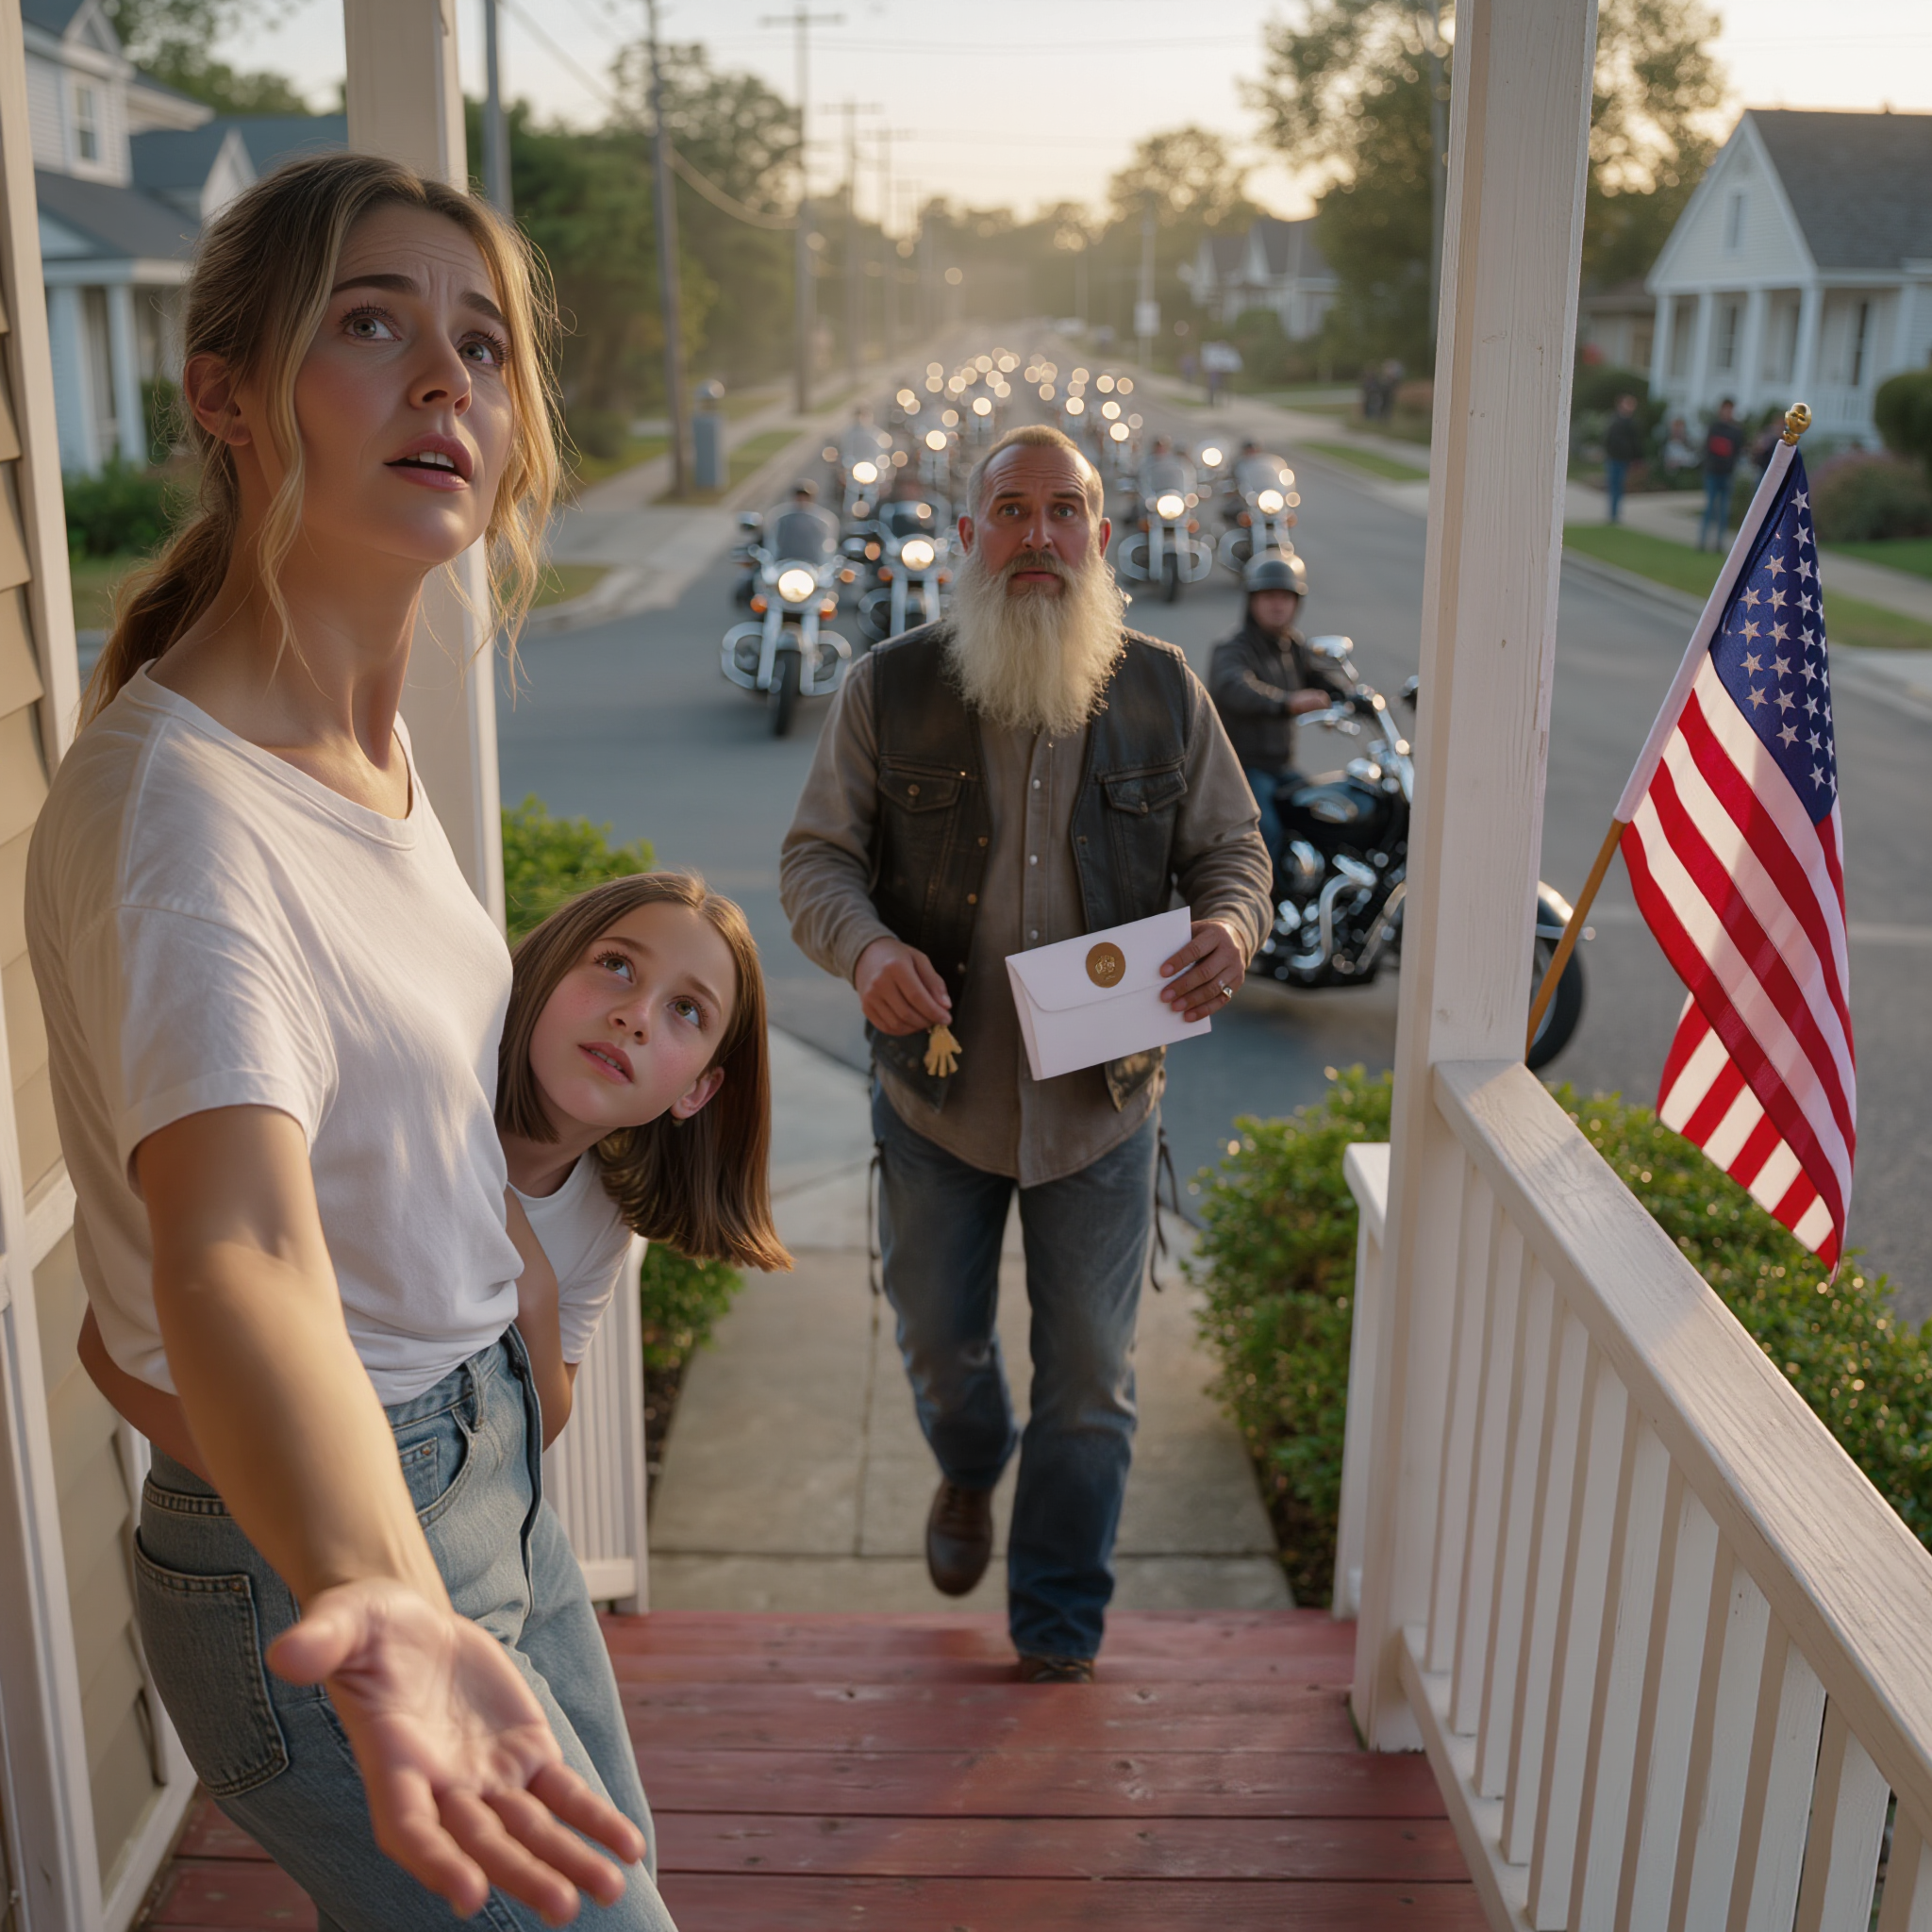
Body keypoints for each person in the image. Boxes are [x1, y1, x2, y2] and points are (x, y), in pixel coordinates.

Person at [25, 153, 672, 1929]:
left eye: (483, 344)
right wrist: (376, 1585)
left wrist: (514, 1280)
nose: (446, 376)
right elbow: (238, 1249)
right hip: (346, 1552)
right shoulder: (184, 817)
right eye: (371, 324)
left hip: (485, 1481)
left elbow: (372, 1127)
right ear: (225, 395)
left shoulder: (361, 758)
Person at [779, 424, 1271, 1683]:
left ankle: (1057, 1624)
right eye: (1011, 510)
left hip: (1103, 1108)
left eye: (1063, 512)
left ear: (1100, 536)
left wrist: (1228, 927)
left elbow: (1233, 853)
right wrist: (865, 949)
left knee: (1092, 1380)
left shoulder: (1164, 687)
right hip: (934, 1101)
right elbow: (817, 860)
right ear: (968, 536)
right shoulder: (886, 686)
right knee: (943, 1349)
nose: (1038, 535)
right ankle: (967, 1463)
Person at [79, 871, 791, 1474]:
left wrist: (535, 1291)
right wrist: (306, 1504)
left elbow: (540, 1424)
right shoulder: (392, 1117)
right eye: (616, 965)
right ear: (547, 969)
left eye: (686, 1010)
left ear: (697, 1090)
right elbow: (107, 1342)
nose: (635, 1015)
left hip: (467, 1493)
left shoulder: (600, 1213)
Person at [1208, 552, 1346, 860]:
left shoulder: (1292, 645)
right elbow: (1234, 687)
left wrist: (1353, 696)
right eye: (1269, 596)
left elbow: (1320, 678)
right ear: (1252, 600)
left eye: (1285, 597)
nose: (1278, 605)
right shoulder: (1232, 648)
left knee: (1325, 811)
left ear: (1297, 603)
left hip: (1280, 768)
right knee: (1265, 832)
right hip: (1241, 768)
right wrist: (1287, 701)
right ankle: (1263, 892)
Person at [1698, 397, 1744, 551]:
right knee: (1710, 507)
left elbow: (1737, 451)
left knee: (1723, 510)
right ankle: (1702, 540)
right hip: (1713, 472)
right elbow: (1707, 448)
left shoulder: (1735, 431)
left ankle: (1719, 542)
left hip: (1727, 473)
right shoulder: (1714, 428)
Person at [1602, 392, 1645, 525]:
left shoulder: (1632, 423)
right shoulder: (1615, 421)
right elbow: (1609, 439)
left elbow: (1635, 442)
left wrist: (1637, 457)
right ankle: (1613, 513)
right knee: (1614, 485)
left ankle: (1615, 512)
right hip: (1614, 457)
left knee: (1619, 486)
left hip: (1624, 459)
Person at [772, 478, 840, 558]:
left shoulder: (823, 519)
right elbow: (773, 540)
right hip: (786, 561)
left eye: (805, 497)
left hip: (813, 562)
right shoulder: (782, 518)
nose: (802, 500)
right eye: (799, 496)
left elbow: (828, 542)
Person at [1661, 415, 1698, 488]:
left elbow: (1694, 460)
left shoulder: (1690, 444)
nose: (1678, 431)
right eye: (1676, 429)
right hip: (1673, 481)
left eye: (1680, 429)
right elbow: (1666, 463)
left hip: (1689, 478)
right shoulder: (1668, 445)